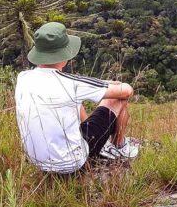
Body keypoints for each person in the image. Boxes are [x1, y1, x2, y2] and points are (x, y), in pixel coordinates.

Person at [15, 22, 138, 174]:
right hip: (72, 163)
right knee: (117, 98)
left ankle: (95, 138)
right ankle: (118, 146)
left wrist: (96, 84)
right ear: (65, 54)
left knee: (71, 101)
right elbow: (126, 91)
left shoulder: (23, 78)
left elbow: (70, 85)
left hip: (38, 162)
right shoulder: (72, 84)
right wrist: (118, 83)